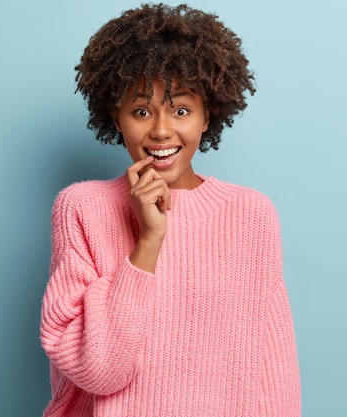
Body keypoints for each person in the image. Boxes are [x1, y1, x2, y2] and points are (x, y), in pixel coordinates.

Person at [40, 3, 300, 416]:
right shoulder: (82, 209)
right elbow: (99, 371)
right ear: (116, 116)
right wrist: (149, 238)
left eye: (181, 110)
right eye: (141, 111)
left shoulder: (252, 215)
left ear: (206, 115)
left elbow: (272, 371)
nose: (161, 130)